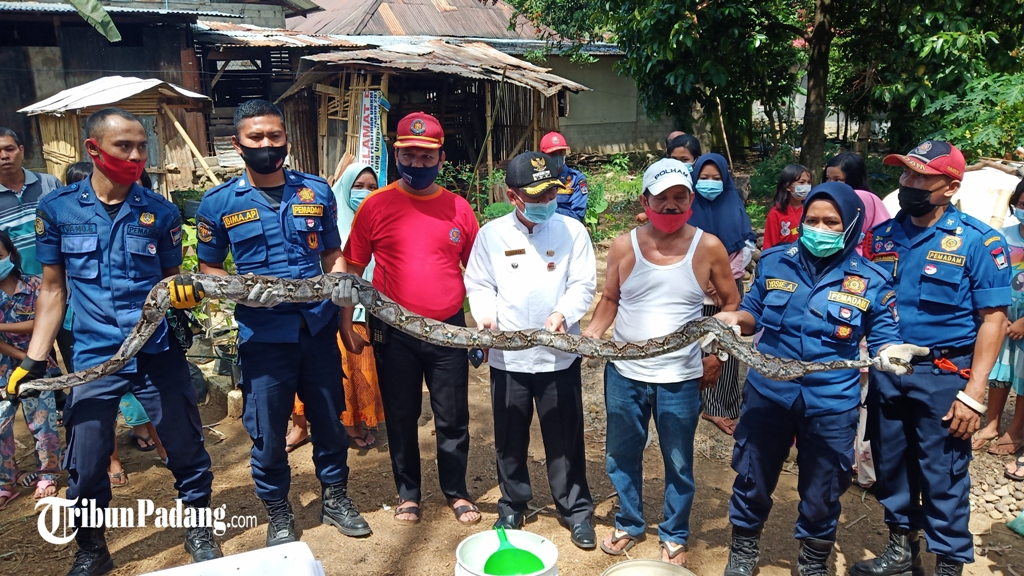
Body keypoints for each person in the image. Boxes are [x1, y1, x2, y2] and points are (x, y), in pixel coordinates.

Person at [6, 108, 221, 573]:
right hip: (92, 356)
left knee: (185, 446)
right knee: (85, 460)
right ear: (94, 150)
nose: (137, 155)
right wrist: (36, 359)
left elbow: (172, 281)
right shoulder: (58, 209)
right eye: (125, 146)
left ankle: (199, 528)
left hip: (156, 351)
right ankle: (92, 549)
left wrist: (184, 294)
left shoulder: (160, 212)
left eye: (142, 146)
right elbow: (53, 288)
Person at [181, 99, 370, 546]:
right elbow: (208, 267)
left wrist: (341, 284)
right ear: (238, 144)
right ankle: (279, 512)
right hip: (262, 336)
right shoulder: (219, 202)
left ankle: (336, 498)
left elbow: (332, 253)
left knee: (328, 418)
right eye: (256, 138)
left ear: (286, 139)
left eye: (275, 137)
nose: (267, 145)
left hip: (316, 328)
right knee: (267, 431)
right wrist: (243, 289)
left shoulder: (315, 192)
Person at [715, 182, 919, 576]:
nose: (819, 228)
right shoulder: (775, 261)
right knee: (752, 473)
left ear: (852, 225)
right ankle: (743, 551)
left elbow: (884, 336)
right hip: (769, 392)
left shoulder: (872, 279)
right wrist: (733, 319)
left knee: (824, 486)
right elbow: (752, 310)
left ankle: (813, 560)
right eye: (811, 220)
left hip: (831, 401)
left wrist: (891, 351)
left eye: (831, 222)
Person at [854, 141, 1010, 576]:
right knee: (892, 467)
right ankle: (901, 551)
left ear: (951, 187)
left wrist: (974, 392)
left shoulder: (980, 241)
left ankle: (949, 565)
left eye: (923, 177)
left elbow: (993, 320)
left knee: (944, 476)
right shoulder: (881, 237)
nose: (910, 184)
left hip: (945, 379)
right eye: (906, 175)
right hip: (889, 374)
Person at [585, 158, 739, 566]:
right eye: (662, 197)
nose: (671, 205)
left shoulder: (708, 246)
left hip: (679, 377)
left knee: (678, 459)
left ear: (690, 200)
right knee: (621, 453)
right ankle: (630, 522)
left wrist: (714, 354)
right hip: (624, 373)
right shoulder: (624, 244)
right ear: (645, 199)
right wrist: (592, 336)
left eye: (679, 197)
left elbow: (731, 305)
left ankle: (674, 533)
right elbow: (611, 299)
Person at [341, 111, 481, 526]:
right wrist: (345, 323)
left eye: (425, 156)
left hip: (448, 329)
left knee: (452, 416)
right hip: (392, 329)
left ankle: (456, 490)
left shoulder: (459, 209)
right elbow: (351, 269)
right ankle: (408, 494)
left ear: (440, 158)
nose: (416, 164)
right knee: (401, 415)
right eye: (408, 155)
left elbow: (478, 276)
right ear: (396, 154)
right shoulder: (376, 206)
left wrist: (476, 331)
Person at [464, 151, 597, 548]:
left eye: (550, 195)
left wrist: (563, 313)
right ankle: (513, 502)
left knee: (564, 434)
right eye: (535, 197)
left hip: (558, 353)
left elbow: (583, 284)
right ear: (512, 195)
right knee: (510, 433)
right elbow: (479, 284)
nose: (544, 204)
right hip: (508, 356)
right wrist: (486, 319)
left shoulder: (572, 232)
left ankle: (575, 509)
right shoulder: (492, 235)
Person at [689, 153, 757, 435]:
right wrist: (705, 282)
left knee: (725, 349)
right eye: (703, 178)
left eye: (716, 178)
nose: (710, 183)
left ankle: (720, 407)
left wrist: (721, 282)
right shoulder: (688, 209)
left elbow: (745, 246)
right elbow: (683, 248)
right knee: (695, 346)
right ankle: (693, 400)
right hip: (694, 290)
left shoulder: (734, 206)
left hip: (728, 292)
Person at [0, 231, 61, 506]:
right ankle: (5, 482)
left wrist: (31, 359)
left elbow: (42, 323)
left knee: (43, 420)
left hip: (38, 366)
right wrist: (21, 356)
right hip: (5, 368)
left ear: (11, 255)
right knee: (1, 424)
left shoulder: (36, 286)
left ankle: (47, 474)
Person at [334, 160, 385, 449]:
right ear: (345, 188)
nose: (365, 193)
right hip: (346, 309)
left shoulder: (378, 220)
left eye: (372, 188)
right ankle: (350, 424)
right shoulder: (333, 225)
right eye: (358, 187)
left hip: (376, 309)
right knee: (350, 368)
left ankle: (365, 419)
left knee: (368, 368)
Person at [980, 180, 1024, 471]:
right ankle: (991, 422)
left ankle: (1016, 430)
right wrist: (1000, 315)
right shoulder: (1001, 237)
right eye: (1022, 203)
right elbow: (989, 276)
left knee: (1022, 376)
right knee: (998, 370)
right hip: (1003, 315)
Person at [0, 128, 63, 276]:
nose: (4, 156)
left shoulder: (50, 184)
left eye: (9, 149)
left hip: (61, 280)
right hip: (17, 289)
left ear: (21, 151)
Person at [539, 132, 588, 223]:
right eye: (553, 153)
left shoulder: (576, 179)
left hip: (566, 229)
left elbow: (578, 215)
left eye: (561, 152)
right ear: (543, 155)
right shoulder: (537, 178)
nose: (558, 156)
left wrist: (548, 212)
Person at [762, 164, 811, 249]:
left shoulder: (811, 209)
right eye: (802, 182)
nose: (806, 186)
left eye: (809, 182)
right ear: (788, 186)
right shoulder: (776, 213)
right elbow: (769, 246)